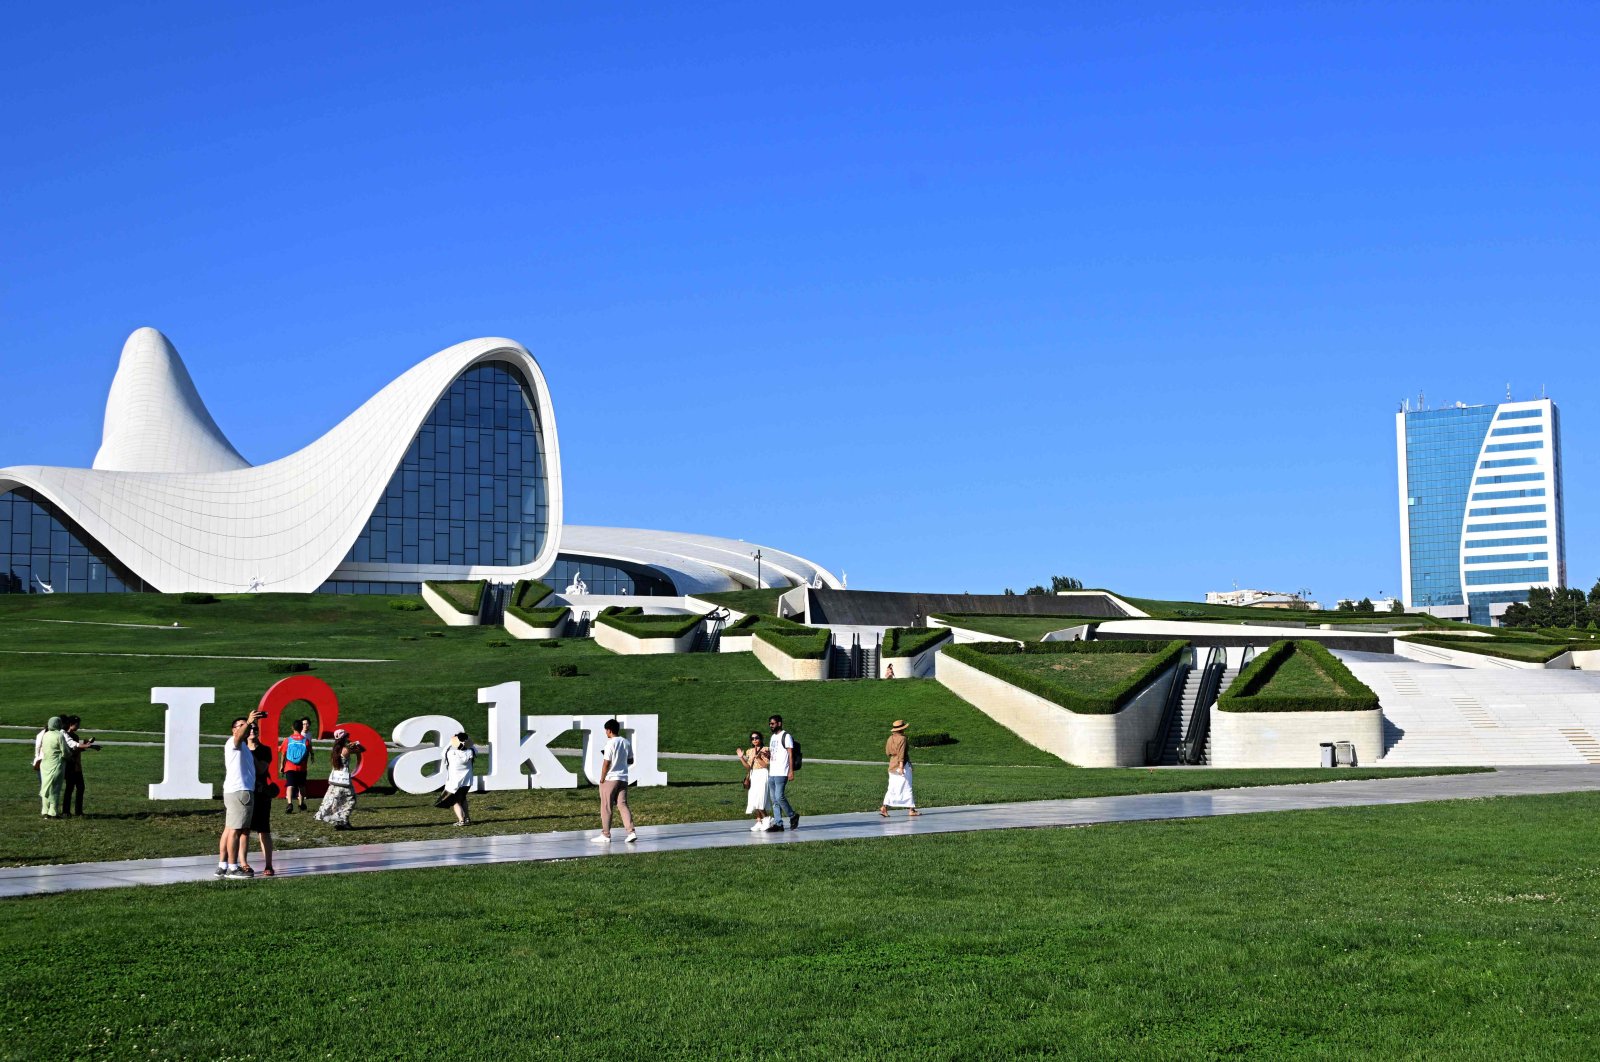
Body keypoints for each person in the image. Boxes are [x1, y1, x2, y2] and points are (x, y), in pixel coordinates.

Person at [218, 710, 264, 878]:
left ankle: (222, 865)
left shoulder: (244, 747)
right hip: (239, 791)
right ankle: (232, 867)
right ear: (234, 729)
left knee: (230, 829)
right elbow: (239, 736)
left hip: (237, 791)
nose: (248, 728)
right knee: (236, 831)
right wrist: (249, 721)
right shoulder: (234, 742)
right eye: (242, 725)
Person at [590, 719, 636, 844]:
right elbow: (631, 760)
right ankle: (631, 832)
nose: (606, 732)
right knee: (622, 804)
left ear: (609, 730)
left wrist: (602, 778)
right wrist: (620, 761)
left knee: (606, 806)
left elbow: (606, 763)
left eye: (606, 730)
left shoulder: (610, 744)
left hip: (610, 778)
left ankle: (605, 834)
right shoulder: (626, 742)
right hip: (623, 778)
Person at [242, 727, 277, 876]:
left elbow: (261, 769)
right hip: (245, 793)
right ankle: (243, 864)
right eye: (249, 729)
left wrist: (249, 754)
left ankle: (268, 865)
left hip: (261, 794)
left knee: (264, 830)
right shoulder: (239, 748)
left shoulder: (265, 750)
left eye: (255, 729)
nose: (252, 731)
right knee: (244, 830)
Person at [314, 730, 362, 830]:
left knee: (337, 802)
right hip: (344, 781)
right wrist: (356, 744)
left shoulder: (335, 750)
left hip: (334, 780)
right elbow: (361, 750)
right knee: (350, 801)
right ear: (344, 738)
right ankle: (343, 821)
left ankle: (340, 822)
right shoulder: (346, 749)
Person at [880, 719, 919, 818]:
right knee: (907, 786)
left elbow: (887, 752)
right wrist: (901, 766)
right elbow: (901, 753)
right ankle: (911, 810)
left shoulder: (890, 738)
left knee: (892, 787)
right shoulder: (903, 739)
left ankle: (884, 807)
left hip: (892, 764)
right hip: (901, 765)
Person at [61, 716, 98, 817]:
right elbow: (73, 747)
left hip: (77, 765)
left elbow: (77, 748)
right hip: (70, 766)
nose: (78, 726)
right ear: (70, 724)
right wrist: (89, 746)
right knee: (69, 788)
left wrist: (87, 744)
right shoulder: (64, 735)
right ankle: (66, 811)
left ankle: (78, 811)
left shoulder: (75, 736)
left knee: (81, 788)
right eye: (77, 724)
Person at [766, 715, 798, 831]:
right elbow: (774, 753)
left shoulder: (786, 736)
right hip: (772, 771)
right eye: (770, 724)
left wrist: (791, 771)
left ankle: (792, 815)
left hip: (782, 771)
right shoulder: (772, 737)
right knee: (774, 799)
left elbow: (790, 754)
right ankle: (779, 824)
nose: (771, 726)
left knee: (779, 797)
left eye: (773, 723)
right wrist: (767, 755)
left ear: (779, 723)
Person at [439, 731, 476, 826]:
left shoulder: (450, 753)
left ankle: (461, 820)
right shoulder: (471, 752)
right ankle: (467, 818)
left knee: (455, 801)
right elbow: (472, 747)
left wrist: (452, 741)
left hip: (454, 782)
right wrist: (467, 739)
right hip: (467, 782)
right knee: (463, 799)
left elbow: (444, 751)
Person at [36, 717, 70, 819]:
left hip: (45, 765)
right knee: (55, 789)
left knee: (45, 787)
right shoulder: (59, 735)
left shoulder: (45, 735)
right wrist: (69, 756)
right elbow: (65, 751)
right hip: (56, 765)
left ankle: (45, 811)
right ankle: (53, 812)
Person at [737, 730, 771, 832]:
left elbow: (766, 765)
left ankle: (767, 819)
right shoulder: (749, 751)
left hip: (762, 773)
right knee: (753, 798)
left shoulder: (766, 749)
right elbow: (748, 767)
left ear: (761, 739)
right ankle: (759, 821)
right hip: (753, 774)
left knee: (759, 799)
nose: (755, 740)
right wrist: (741, 758)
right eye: (752, 738)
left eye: (756, 738)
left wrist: (759, 757)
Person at [279, 717, 313, 813]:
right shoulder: (305, 740)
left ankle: (289, 803)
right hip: (301, 767)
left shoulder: (288, 740)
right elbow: (308, 752)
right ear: (301, 728)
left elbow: (283, 753)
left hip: (289, 766)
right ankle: (301, 803)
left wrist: (282, 765)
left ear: (292, 728)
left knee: (290, 785)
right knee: (301, 786)